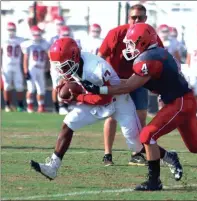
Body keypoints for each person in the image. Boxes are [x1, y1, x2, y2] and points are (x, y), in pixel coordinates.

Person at [80, 23, 197, 191]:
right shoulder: (157, 53)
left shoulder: (148, 59)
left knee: (147, 135)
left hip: (180, 102)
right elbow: (131, 81)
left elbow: (129, 86)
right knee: (196, 145)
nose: (129, 48)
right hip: (184, 100)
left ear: (143, 41)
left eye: (131, 44)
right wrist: (105, 85)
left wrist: (100, 89)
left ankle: (154, 181)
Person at [30, 37, 182, 181]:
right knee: (68, 123)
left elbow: (105, 98)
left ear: (75, 58)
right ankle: (53, 167)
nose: (62, 70)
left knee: (137, 145)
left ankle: (169, 156)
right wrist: (66, 86)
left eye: (65, 66)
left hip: (117, 100)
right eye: (60, 66)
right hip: (93, 97)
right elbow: (68, 83)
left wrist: (78, 97)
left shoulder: (96, 68)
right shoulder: (70, 62)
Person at [97, 4, 166, 166]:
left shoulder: (151, 34)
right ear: (128, 18)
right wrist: (100, 76)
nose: (136, 20)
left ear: (146, 19)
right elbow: (100, 56)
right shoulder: (116, 33)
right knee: (112, 116)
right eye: (133, 17)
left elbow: (161, 56)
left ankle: (138, 152)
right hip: (115, 79)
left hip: (138, 78)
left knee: (141, 115)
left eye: (140, 17)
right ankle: (107, 154)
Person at [21, 25, 50, 113]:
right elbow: (25, 58)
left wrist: (48, 69)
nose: (37, 36)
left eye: (38, 34)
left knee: (41, 89)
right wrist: (25, 70)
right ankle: (30, 106)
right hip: (32, 69)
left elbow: (48, 58)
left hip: (41, 69)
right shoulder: (28, 44)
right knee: (31, 88)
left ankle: (41, 106)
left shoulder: (45, 44)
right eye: (35, 34)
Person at [1, 22, 25, 112]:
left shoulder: (20, 40)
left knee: (19, 86)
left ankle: (20, 106)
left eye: (13, 30)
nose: (11, 32)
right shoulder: (3, 39)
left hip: (17, 66)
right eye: (10, 30)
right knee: (7, 86)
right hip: (6, 66)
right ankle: (7, 105)